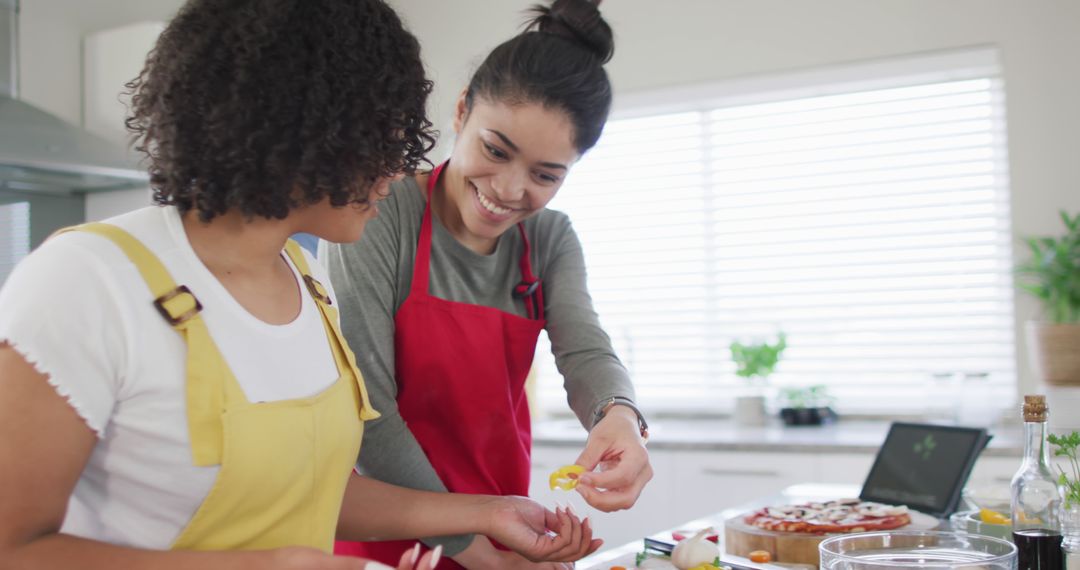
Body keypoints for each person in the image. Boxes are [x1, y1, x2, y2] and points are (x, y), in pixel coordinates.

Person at [0, 1, 599, 569]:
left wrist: (483, 515)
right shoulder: (86, 280)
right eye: (385, 139)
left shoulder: (307, 281)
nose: (398, 168)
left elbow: (310, 492)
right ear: (311, 128)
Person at [325, 1, 652, 567]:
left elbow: (585, 348)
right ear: (461, 112)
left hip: (506, 525)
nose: (508, 189)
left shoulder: (548, 239)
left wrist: (620, 416)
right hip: (384, 538)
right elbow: (367, 412)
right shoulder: (382, 211)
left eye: (546, 175)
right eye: (494, 150)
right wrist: (478, 552)